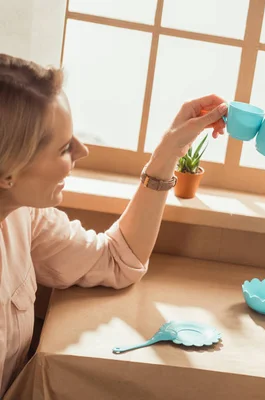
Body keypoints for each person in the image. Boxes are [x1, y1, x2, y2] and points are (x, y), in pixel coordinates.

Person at [0, 53, 228, 396]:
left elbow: (118, 260)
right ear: (9, 172)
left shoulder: (23, 214)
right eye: (64, 147)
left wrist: (169, 151)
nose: (82, 150)